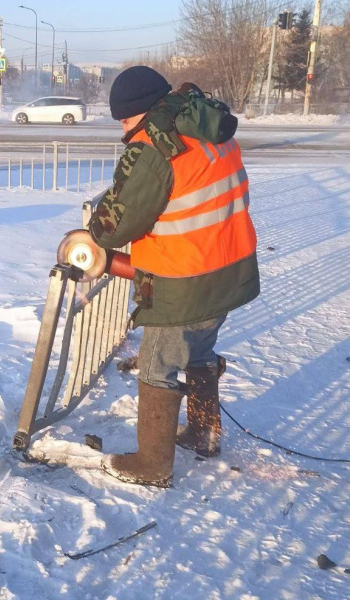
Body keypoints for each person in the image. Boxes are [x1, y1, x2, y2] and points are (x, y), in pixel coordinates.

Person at [89, 66, 260, 487]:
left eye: (126, 120)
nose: (124, 130)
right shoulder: (208, 127)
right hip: (229, 271)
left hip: (185, 280)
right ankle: (204, 434)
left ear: (142, 112)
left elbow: (116, 226)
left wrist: (95, 228)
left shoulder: (155, 148)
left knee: (156, 365)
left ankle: (153, 465)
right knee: (199, 352)